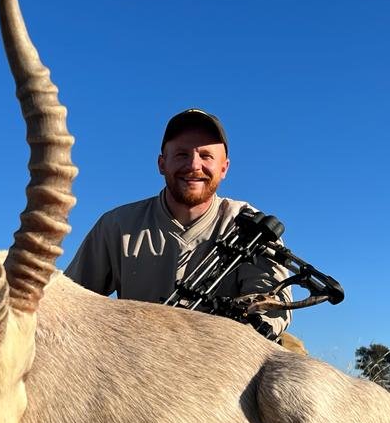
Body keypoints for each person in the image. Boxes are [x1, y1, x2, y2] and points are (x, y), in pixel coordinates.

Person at [64, 108, 297, 342]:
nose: (194, 165)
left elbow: (272, 308)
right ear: (161, 164)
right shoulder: (117, 225)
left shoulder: (250, 225)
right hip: (135, 361)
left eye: (206, 156)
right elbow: (71, 301)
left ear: (224, 168)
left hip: (225, 362)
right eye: (181, 154)